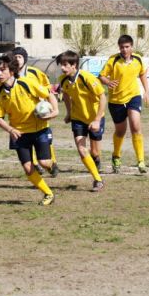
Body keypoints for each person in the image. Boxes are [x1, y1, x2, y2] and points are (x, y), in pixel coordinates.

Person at [0, 54, 58, 206]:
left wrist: (54, 111)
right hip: (19, 132)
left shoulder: (26, 83)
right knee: (28, 168)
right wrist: (10, 129)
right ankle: (48, 193)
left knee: (44, 162)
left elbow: (49, 95)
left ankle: (52, 166)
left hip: (39, 129)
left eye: (3, 70)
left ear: (12, 70)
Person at [99, 34, 149, 174]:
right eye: (122, 47)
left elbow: (142, 74)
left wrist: (146, 91)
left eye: (127, 47)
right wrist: (108, 82)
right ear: (119, 48)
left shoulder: (138, 59)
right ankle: (116, 156)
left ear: (131, 47)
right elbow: (101, 76)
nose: (124, 49)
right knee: (121, 131)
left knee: (135, 125)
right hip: (116, 100)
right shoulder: (113, 60)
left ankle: (141, 160)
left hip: (133, 96)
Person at [57, 50, 106, 191]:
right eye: (62, 65)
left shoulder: (87, 78)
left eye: (66, 65)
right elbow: (66, 94)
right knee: (81, 149)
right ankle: (98, 180)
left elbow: (103, 97)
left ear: (74, 65)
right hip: (78, 118)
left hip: (95, 117)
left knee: (95, 153)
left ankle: (96, 160)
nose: (62, 68)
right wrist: (69, 112)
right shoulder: (63, 80)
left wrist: (97, 120)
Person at [12, 47, 60, 177]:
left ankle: (52, 163)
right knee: (27, 139)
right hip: (23, 115)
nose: (17, 59)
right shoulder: (10, 75)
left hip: (40, 111)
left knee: (43, 139)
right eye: (15, 56)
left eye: (20, 57)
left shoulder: (35, 72)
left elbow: (48, 88)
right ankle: (35, 164)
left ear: (25, 59)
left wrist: (46, 104)